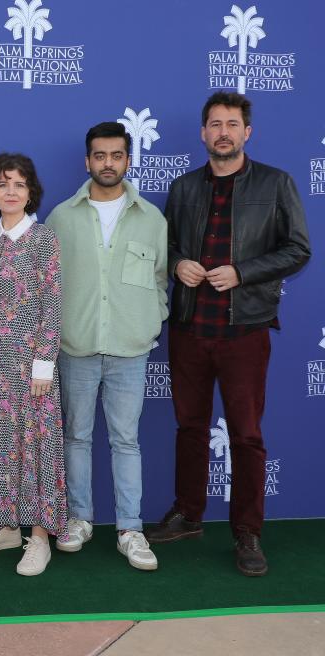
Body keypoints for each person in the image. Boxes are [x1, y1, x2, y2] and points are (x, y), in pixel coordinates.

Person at [146, 92, 310, 577]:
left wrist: (243, 271)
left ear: (247, 132)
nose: (223, 131)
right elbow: (167, 244)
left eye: (232, 124)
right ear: (203, 133)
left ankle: (247, 531)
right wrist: (178, 263)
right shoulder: (181, 188)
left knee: (246, 434)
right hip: (189, 329)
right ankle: (187, 514)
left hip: (245, 331)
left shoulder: (277, 184)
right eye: (215, 123)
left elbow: (298, 249)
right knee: (190, 428)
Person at [44, 122, 167, 571]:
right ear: (87, 161)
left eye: (117, 155)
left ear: (128, 160)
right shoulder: (62, 217)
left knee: (126, 440)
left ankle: (130, 529)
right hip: (75, 346)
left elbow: (159, 280)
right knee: (75, 437)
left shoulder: (152, 219)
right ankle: (78, 518)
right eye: (100, 155)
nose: (108, 163)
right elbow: (49, 284)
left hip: (130, 349)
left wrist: (150, 321)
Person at [0, 153, 67, 576]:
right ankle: (4, 526)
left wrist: (44, 363)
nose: (10, 191)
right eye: (3, 184)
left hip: (30, 366)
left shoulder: (43, 238)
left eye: (19, 184)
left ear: (30, 192)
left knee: (34, 449)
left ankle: (39, 537)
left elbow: (52, 304)